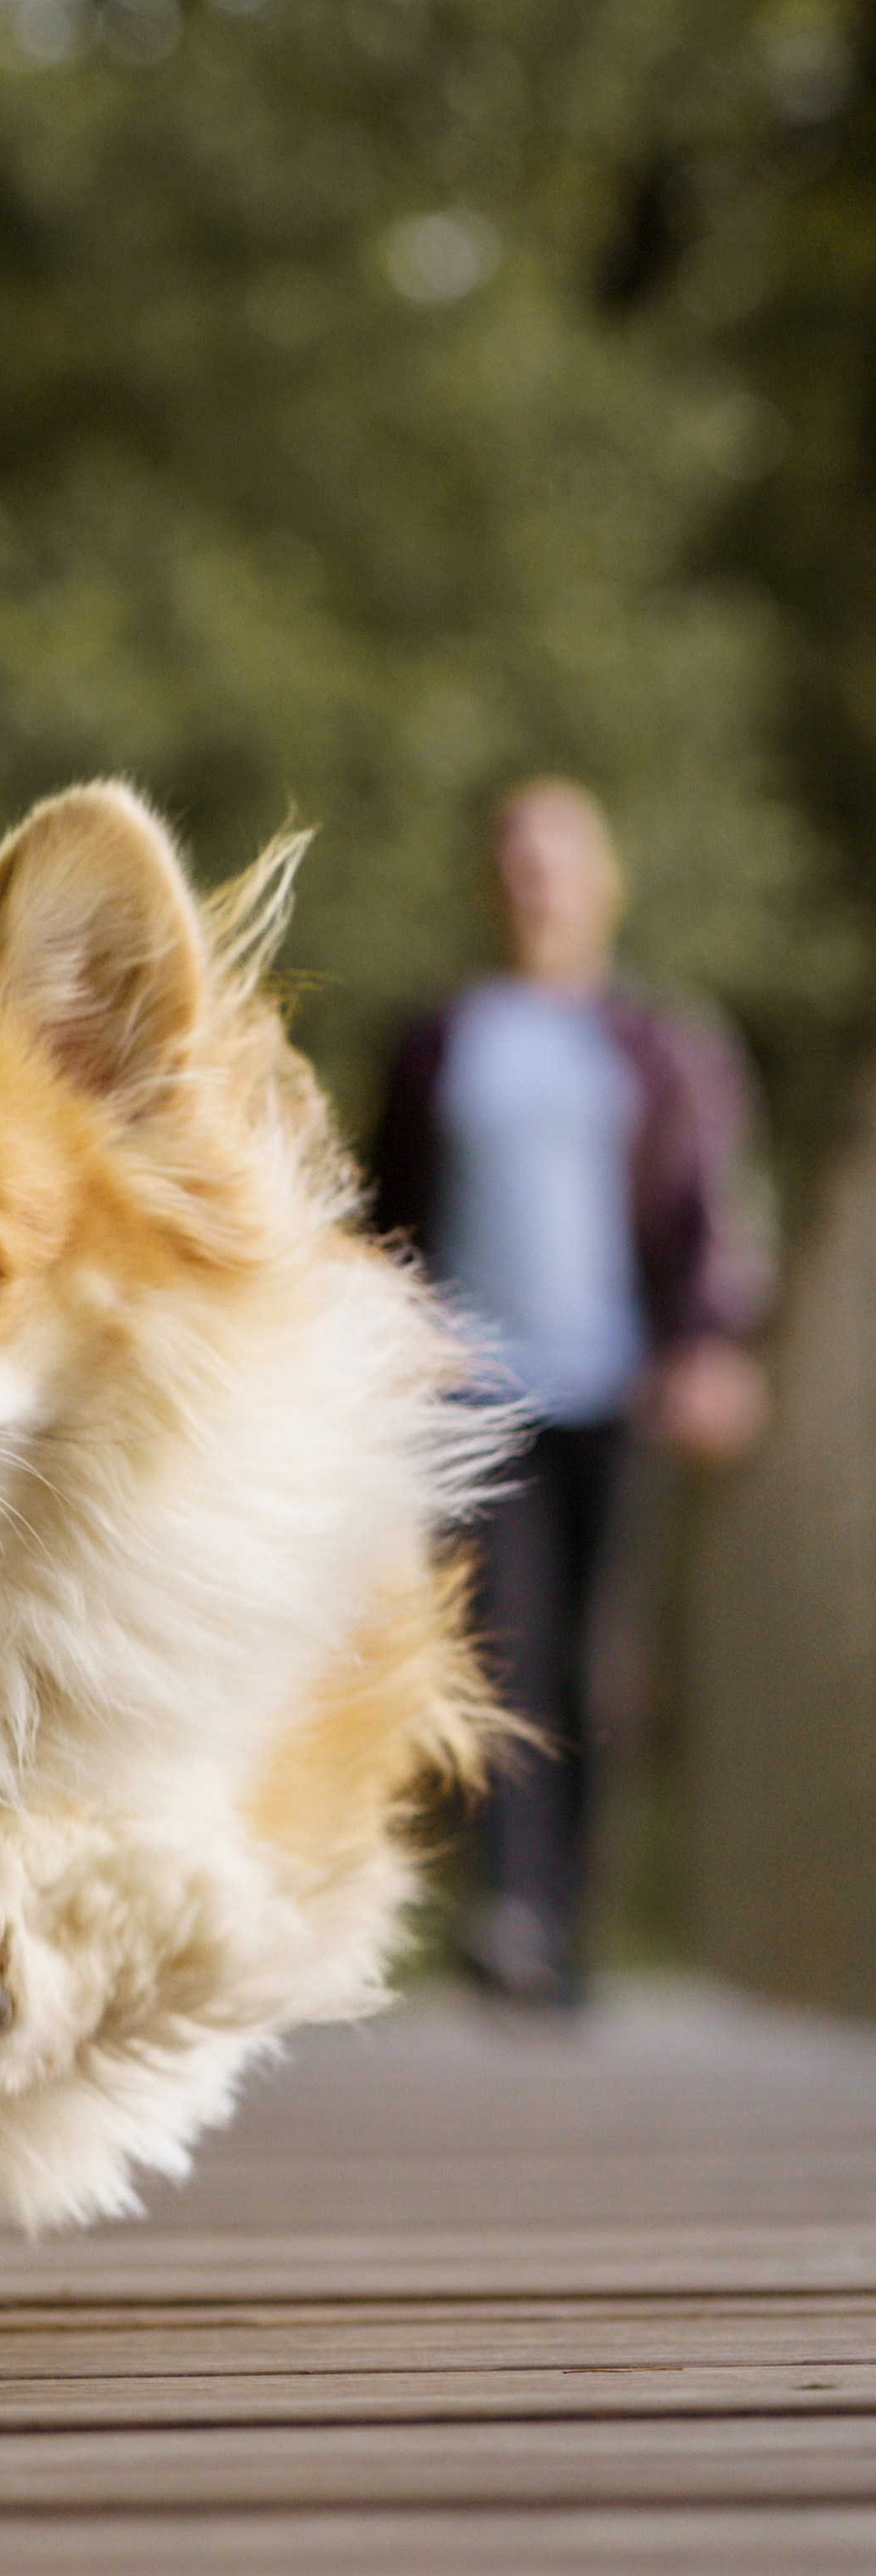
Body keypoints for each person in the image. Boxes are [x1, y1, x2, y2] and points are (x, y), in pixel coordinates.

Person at [369, 780, 770, 2006]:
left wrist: (711, 1343)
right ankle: (514, 1907)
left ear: (604, 878)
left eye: (559, 856)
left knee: (596, 1652)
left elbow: (711, 1212)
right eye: (517, 855)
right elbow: (385, 1209)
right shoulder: (443, 1038)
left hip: (615, 1390)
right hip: (475, 1394)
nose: (537, 876)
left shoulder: (660, 1042)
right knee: (496, 1646)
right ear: (495, 883)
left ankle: (574, 1909)